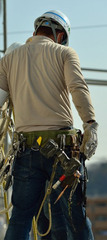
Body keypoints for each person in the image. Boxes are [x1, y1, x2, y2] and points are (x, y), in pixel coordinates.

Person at [0, 10, 98, 240]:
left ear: (35, 31)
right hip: (62, 151)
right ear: (61, 34)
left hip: (26, 150)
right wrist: (90, 124)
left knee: (21, 218)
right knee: (75, 218)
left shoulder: (9, 59)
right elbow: (78, 89)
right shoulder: (65, 53)